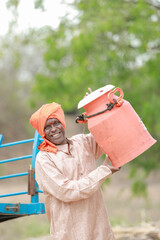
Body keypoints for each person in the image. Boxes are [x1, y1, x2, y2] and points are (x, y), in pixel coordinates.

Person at [30, 101, 120, 240]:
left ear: (63, 123)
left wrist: (95, 107)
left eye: (56, 123)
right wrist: (104, 170)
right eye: (47, 127)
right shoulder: (44, 159)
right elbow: (68, 191)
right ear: (42, 132)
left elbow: (108, 133)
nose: (54, 129)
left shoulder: (82, 143)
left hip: (99, 229)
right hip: (70, 233)